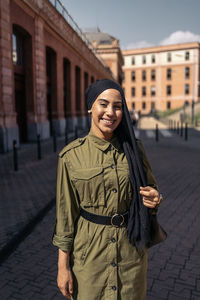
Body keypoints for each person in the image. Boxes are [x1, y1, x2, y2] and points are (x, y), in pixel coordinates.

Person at [52, 79, 162, 300]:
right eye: (103, 104)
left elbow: (151, 190)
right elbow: (65, 217)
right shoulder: (71, 156)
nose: (110, 112)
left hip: (131, 254)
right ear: (90, 106)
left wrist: (155, 199)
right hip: (90, 257)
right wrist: (63, 268)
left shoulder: (135, 149)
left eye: (118, 106)